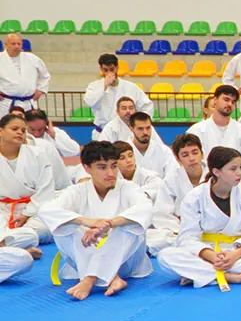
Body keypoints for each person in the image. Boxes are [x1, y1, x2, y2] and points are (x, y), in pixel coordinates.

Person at [37, 141, 153, 300]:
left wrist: (109, 224)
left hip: (125, 263)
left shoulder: (128, 188)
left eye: (113, 166)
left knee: (130, 226)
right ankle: (112, 278)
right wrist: (86, 222)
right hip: (87, 254)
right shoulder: (77, 191)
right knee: (64, 227)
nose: (111, 173)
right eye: (102, 167)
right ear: (86, 168)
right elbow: (46, 210)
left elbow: (145, 208)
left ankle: (90, 278)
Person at [157, 146, 241, 291]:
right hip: (207, 252)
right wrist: (210, 256)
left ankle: (203, 275)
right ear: (216, 171)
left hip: (238, 251)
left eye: (240, 167)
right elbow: (187, 237)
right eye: (233, 169)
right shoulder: (195, 197)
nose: (239, 173)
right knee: (165, 257)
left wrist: (236, 254)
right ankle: (233, 277)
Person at [0, 113, 51, 255]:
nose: (20, 133)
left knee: (40, 231)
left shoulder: (38, 154)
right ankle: (19, 248)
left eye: (23, 130)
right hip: (1, 208)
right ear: (1, 131)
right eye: (14, 128)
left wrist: (27, 214)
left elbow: (45, 190)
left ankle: (7, 247)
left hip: (31, 209)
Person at [147, 133, 206, 255]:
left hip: (210, 229)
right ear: (178, 159)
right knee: (152, 238)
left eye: (195, 152)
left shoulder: (214, 176)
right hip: (181, 229)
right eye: (185, 155)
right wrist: (180, 230)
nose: (191, 158)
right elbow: (162, 213)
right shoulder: (171, 180)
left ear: (202, 154)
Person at [83, 53, 153, 135]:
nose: (109, 73)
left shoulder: (131, 87)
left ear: (117, 68)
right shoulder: (94, 86)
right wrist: (105, 85)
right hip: (102, 132)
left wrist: (140, 124)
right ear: (101, 69)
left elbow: (147, 106)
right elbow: (89, 102)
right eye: (105, 70)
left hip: (126, 133)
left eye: (112, 69)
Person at [186, 86, 241, 161]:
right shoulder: (196, 131)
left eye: (233, 102)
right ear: (215, 100)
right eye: (226, 99)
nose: (230, 104)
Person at [0, 33, 50, 113]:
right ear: (6, 45)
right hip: (5, 103)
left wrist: (40, 90)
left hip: (28, 102)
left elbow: (45, 75)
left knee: (28, 124)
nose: (16, 46)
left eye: (19, 44)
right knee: (6, 124)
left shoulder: (32, 58)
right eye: (13, 44)